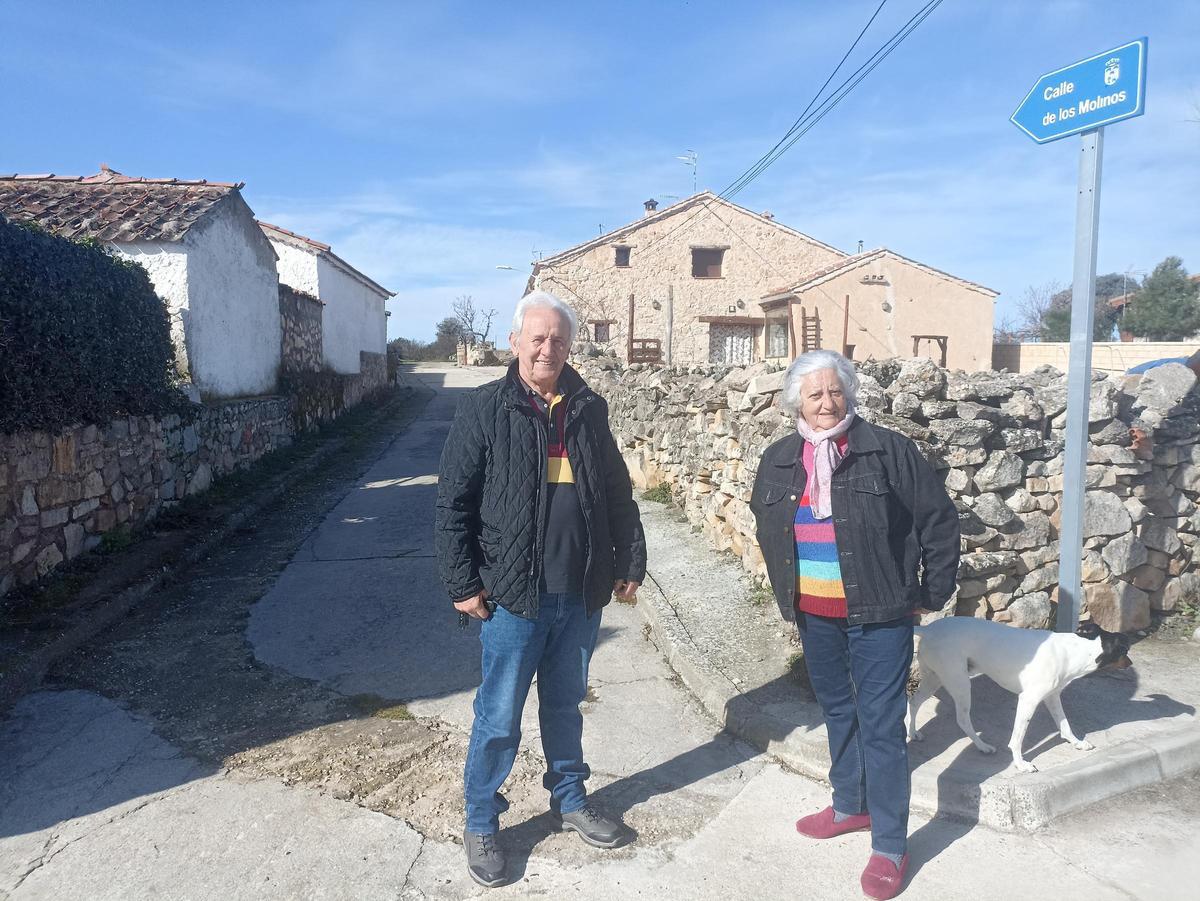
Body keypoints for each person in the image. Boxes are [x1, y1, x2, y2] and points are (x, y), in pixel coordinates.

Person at [435, 290, 646, 888]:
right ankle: (482, 820)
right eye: (537, 337)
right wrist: (460, 582)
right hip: (512, 596)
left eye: (557, 339)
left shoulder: (588, 409)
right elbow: (453, 501)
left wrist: (629, 559)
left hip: (577, 595)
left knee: (564, 706)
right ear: (515, 343)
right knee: (498, 715)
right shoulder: (485, 408)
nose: (546, 348)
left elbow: (616, 492)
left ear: (570, 346)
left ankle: (570, 797)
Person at [749, 350, 960, 901]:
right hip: (814, 613)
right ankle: (850, 805)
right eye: (814, 394)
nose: (826, 402)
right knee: (837, 710)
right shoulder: (778, 459)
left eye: (834, 391)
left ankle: (890, 844)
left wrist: (929, 592)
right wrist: (787, 592)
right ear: (797, 400)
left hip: (881, 614)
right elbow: (767, 524)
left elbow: (937, 520)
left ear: (850, 393)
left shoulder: (888, 451)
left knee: (882, 725)